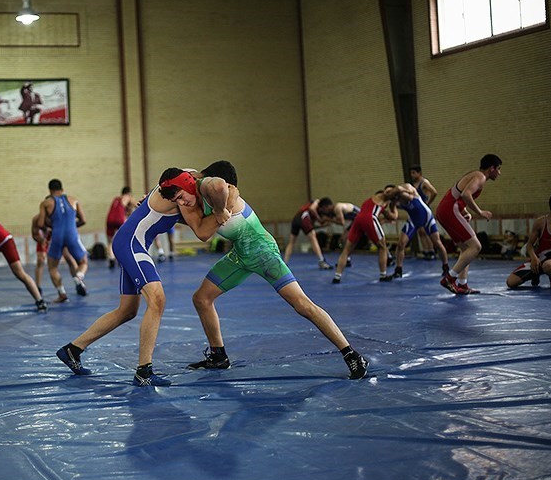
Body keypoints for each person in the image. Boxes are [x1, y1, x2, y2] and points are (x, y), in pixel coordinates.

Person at [160, 163, 368, 380]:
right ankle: (218, 356)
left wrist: (220, 210)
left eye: (181, 197)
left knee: (302, 304)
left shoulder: (209, 187)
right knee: (201, 299)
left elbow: (218, 186)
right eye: (177, 200)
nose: (181, 202)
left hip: (262, 251)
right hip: (240, 253)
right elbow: (196, 223)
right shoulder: (193, 199)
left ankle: (351, 354)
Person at [55, 166, 236, 387]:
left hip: (129, 242)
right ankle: (144, 371)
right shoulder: (185, 190)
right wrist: (222, 210)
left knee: (127, 311)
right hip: (132, 245)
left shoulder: (183, 182)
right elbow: (203, 232)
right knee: (157, 300)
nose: (183, 201)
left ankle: (73, 350)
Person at [435, 154, 503, 295]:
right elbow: (466, 194)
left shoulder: (474, 175)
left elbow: (458, 195)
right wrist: (480, 212)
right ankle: (449, 278)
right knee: (476, 246)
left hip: (446, 209)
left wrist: (464, 211)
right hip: (449, 209)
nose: (499, 172)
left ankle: (462, 284)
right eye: (498, 169)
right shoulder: (480, 177)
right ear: (491, 168)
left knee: (466, 248)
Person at [332, 185, 402, 284]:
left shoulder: (383, 204)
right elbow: (393, 192)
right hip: (369, 218)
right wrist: (403, 190)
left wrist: (393, 205)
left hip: (358, 219)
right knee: (382, 247)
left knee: (347, 250)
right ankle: (383, 275)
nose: (389, 192)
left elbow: (393, 217)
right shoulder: (381, 195)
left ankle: (337, 277)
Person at [37, 179, 89, 302]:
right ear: (62, 189)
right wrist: (72, 226)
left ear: (50, 190)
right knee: (83, 262)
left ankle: (62, 294)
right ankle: (79, 277)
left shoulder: (46, 203)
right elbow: (83, 220)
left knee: (52, 267)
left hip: (57, 235)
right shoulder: (74, 200)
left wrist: (52, 226)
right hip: (72, 234)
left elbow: (40, 224)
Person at [392, 183, 450, 279]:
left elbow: (403, 190)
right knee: (401, 244)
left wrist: (393, 192)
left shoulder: (409, 189)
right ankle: (398, 270)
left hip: (427, 218)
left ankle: (445, 267)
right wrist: (391, 203)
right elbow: (393, 213)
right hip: (413, 221)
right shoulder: (396, 202)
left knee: (437, 243)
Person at [31, 213, 78, 295]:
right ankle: (38, 287)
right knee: (40, 260)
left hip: (58, 236)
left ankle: (78, 282)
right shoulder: (36, 219)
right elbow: (34, 234)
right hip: (44, 237)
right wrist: (42, 241)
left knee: (68, 257)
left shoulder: (58, 217)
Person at [282, 197, 333, 269]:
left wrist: (324, 223)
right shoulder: (317, 202)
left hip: (296, 219)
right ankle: (321, 261)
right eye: (328, 209)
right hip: (302, 217)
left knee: (292, 242)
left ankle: (284, 263)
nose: (328, 211)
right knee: (313, 237)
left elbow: (312, 226)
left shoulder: (317, 213)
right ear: (324, 206)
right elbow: (312, 209)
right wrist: (319, 219)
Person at [408, 165, 440, 259]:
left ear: (419, 173)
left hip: (424, 210)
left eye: (414, 173)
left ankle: (431, 251)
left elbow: (434, 192)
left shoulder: (424, 182)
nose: (412, 175)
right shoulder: (413, 185)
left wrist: (428, 203)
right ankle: (426, 251)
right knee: (420, 231)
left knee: (425, 230)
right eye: (411, 173)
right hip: (416, 210)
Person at [105, 186, 137, 268]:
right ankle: (122, 258)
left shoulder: (116, 199)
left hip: (109, 219)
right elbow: (136, 205)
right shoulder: (127, 197)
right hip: (119, 219)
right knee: (125, 240)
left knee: (109, 241)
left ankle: (111, 258)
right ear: (128, 193)